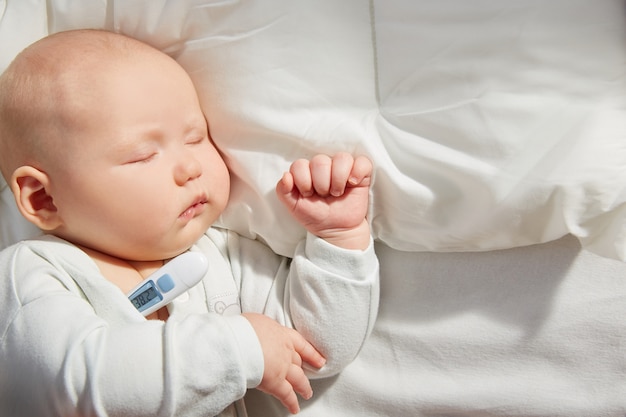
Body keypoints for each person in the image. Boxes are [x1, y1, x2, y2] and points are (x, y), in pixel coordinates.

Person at [0, 29, 379, 417]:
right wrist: (239, 349)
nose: (190, 167)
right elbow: (78, 388)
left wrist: (338, 241)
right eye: (143, 155)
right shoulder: (31, 272)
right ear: (43, 198)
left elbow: (312, 352)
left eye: (196, 137)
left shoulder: (219, 257)